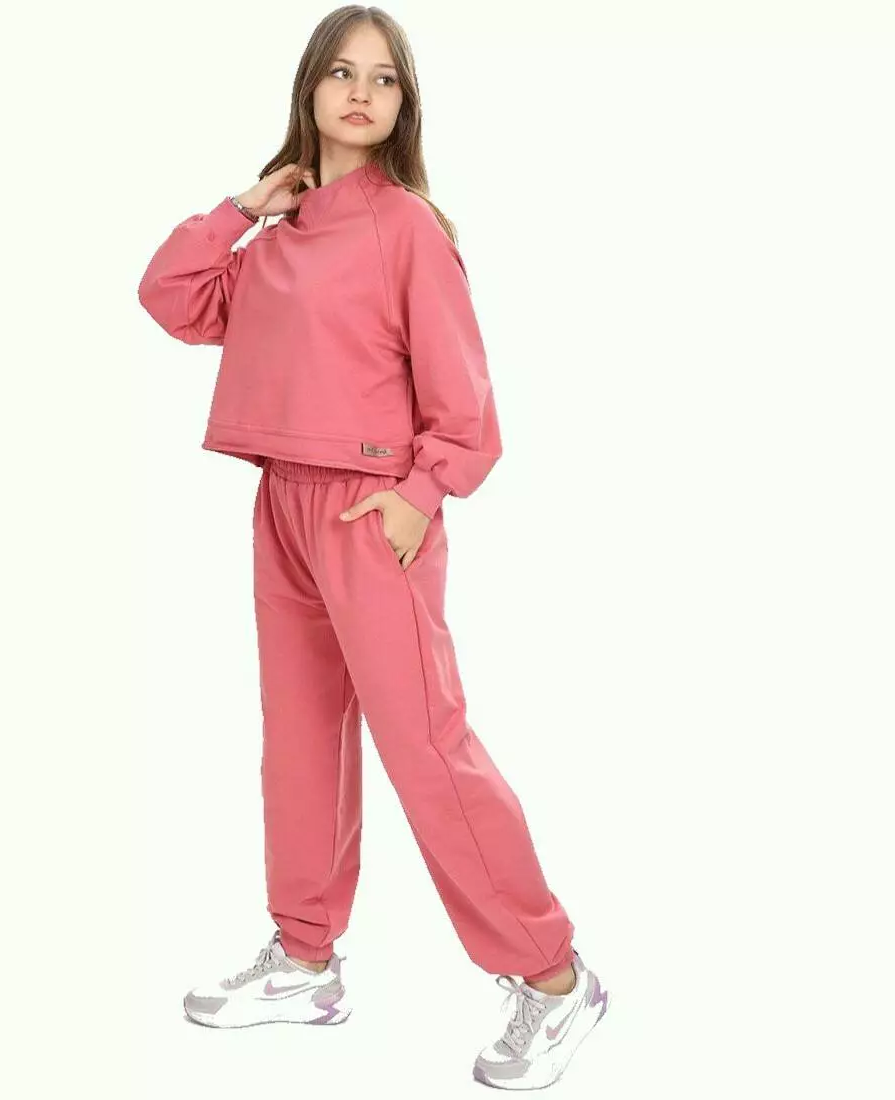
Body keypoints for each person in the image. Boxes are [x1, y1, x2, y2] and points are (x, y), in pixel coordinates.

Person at [137, 6, 609, 1089]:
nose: (360, 93)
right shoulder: (273, 240)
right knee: (299, 739)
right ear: (308, 88)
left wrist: (417, 495)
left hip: (371, 512)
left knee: (426, 748)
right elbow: (168, 296)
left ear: (403, 105)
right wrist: (242, 206)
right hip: (282, 504)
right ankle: (306, 959)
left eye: (383, 79)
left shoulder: (406, 228)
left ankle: (551, 974)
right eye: (341, 73)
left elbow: (466, 404)